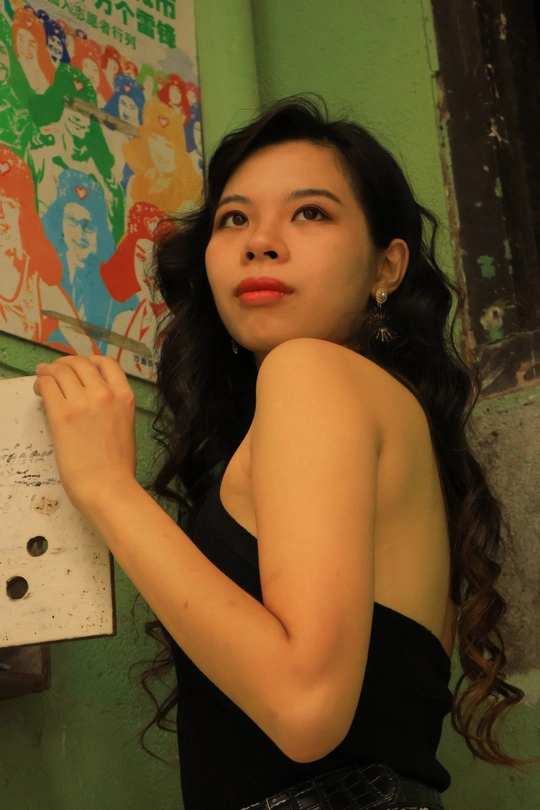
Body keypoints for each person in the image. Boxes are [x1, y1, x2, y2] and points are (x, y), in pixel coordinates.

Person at [32, 96, 540, 810]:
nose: (261, 242)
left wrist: (108, 489)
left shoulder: (310, 372)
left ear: (387, 266)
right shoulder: (380, 413)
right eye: (234, 219)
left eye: (311, 213)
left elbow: (306, 708)